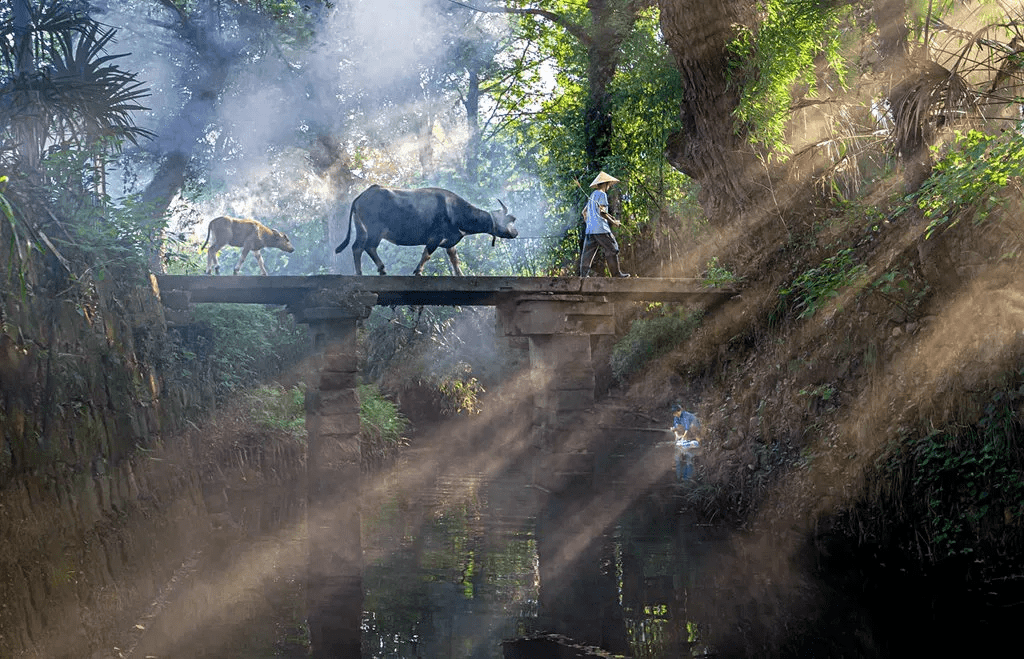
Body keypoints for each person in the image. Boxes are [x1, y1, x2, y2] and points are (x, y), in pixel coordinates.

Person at [579, 171, 630, 278]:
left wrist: (589, 222)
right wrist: (614, 223)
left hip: (590, 230)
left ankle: (583, 275)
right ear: (605, 183)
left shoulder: (592, 195)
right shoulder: (602, 194)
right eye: (609, 184)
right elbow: (602, 213)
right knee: (613, 248)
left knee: (588, 252)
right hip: (601, 229)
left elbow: (584, 212)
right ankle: (616, 274)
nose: (609, 187)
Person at [671, 403, 701, 481]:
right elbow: (675, 428)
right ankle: (678, 477)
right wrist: (677, 437)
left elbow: (688, 430)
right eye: (673, 414)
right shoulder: (676, 417)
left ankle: (687, 478)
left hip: (692, 437)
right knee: (678, 458)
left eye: (676, 413)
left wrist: (684, 439)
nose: (675, 415)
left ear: (679, 411)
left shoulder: (686, 416)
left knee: (689, 457)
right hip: (684, 439)